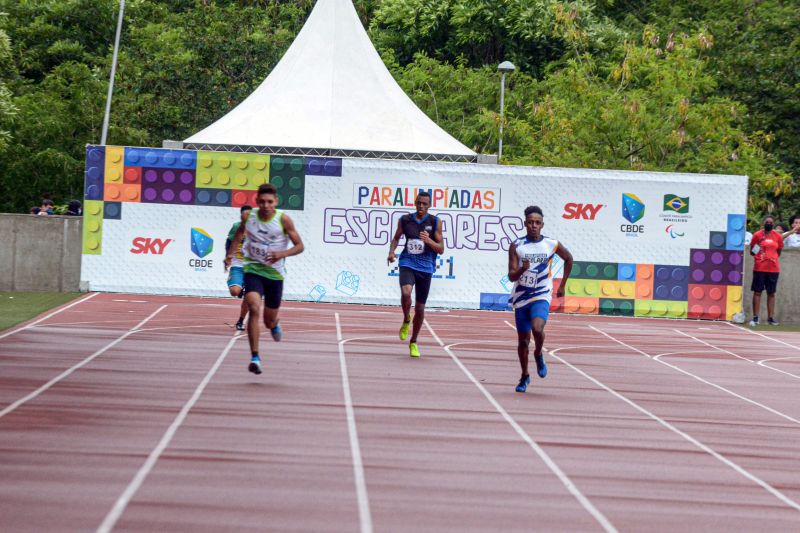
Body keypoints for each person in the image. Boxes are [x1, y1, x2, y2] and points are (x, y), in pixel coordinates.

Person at [225, 184, 305, 374]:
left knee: (268, 321)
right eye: (262, 202)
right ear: (257, 202)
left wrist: (282, 253)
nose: (266, 205)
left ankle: (275, 323)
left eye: (270, 202)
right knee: (253, 306)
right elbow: (238, 235)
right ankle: (255, 357)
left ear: (275, 202)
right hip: (253, 269)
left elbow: (300, 246)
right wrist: (229, 254)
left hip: (275, 275)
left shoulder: (283, 220)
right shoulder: (249, 217)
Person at [508, 205, 573, 393]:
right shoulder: (517, 246)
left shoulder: (551, 244)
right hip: (521, 297)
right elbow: (512, 275)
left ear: (542, 225)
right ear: (525, 224)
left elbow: (569, 258)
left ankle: (538, 353)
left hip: (542, 294)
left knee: (537, 328)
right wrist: (522, 269)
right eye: (530, 222)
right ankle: (525, 375)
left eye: (537, 223)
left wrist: (562, 286)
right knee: (522, 342)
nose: (533, 226)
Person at [387, 191, 444, 358]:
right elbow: (396, 238)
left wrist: (429, 241)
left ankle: (414, 342)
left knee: (420, 308)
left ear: (429, 205)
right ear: (415, 203)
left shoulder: (435, 222)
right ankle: (406, 319)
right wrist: (391, 252)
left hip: (426, 268)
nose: (421, 206)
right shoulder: (405, 220)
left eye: (424, 204)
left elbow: (441, 249)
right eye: (419, 203)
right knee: (406, 292)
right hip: (407, 262)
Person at [749, 215, 784, 326]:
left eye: (771, 222)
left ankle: (770, 318)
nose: (769, 223)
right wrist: (759, 248)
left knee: (771, 293)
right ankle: (755, 318)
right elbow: (752, 252)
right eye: (767, 222)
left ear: (773, 224)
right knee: (758, 292)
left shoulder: (777, 236)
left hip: (773, 269)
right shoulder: (757, 235)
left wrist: (771, 258)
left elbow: (778, 252)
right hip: (760, 268)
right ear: (763, 223)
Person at [225, 205, 253, 331]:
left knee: (249, 296)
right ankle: (240, 288)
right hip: (237, 264)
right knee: (235, 291)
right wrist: (228, 257)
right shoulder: (237, 227)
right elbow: (229, 241)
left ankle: (241, 321)